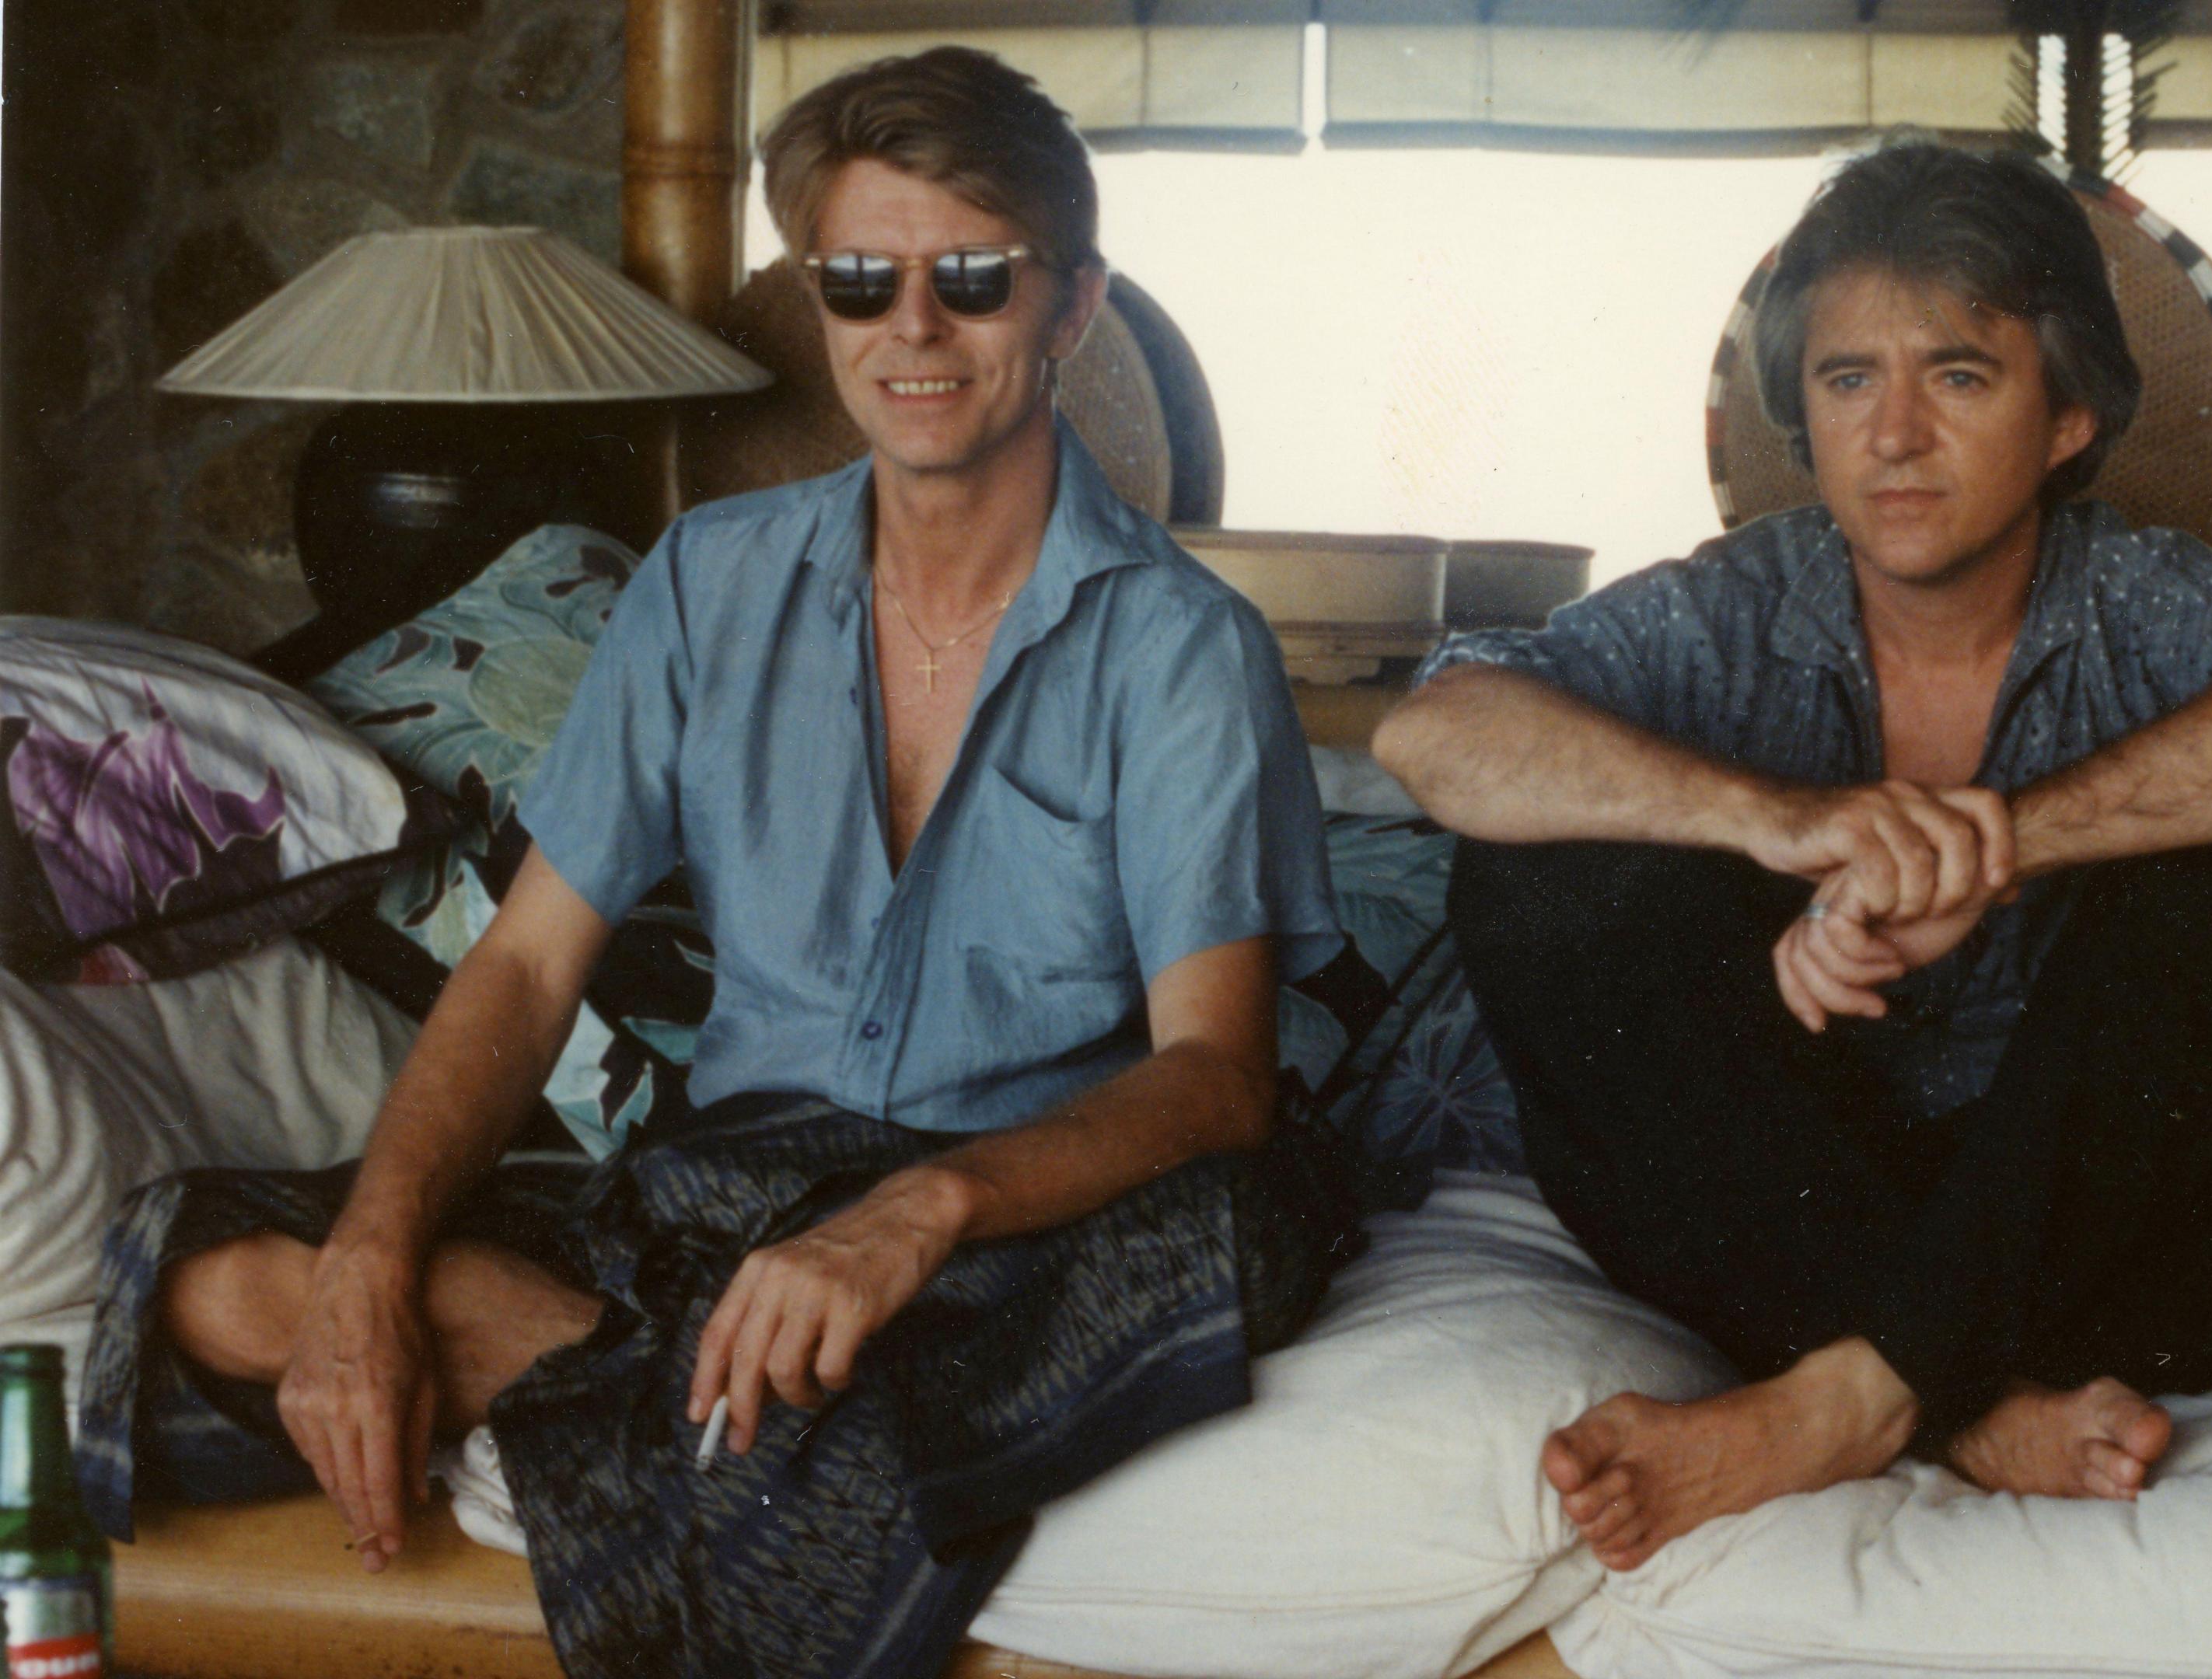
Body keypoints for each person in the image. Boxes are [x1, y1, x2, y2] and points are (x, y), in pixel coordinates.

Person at [76, 47, 1353, 1679]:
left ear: (1072, 307)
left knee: (1174, 1264)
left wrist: (918, 1214)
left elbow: (1216, 1081)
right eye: (859, 281)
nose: (913, 329)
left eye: (973, 279)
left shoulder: (1184, 648)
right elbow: (531, 964)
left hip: (1036, 1203)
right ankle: (680, 1375)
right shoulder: (706, 582)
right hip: (737, 1186)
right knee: (216, 1278)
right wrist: (380, 1261)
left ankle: (662, 1377)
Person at [1372, 140, 2212, 1573]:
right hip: (1810, 1227)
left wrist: (2001, 848)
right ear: (1804, 416)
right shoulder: (1739, 607)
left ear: (2067, 416)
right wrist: (1790, 825)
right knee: (1539, 865)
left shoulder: (2146, 597)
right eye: (1846, 381)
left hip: (2143, 1258)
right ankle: (1958, 1406)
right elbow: (1437, 737)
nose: (1892, 436)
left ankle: (1848, 1399)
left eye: (1957, 376)